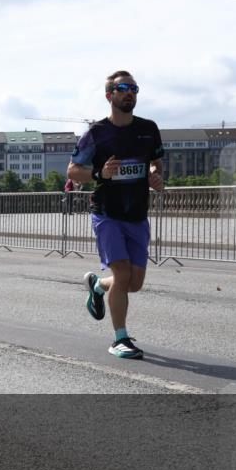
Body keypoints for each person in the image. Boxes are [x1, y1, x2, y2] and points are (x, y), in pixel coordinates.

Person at [68, 70, 164, 360]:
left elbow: (155, 164)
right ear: (110, 95)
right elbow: (73, 172)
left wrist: (155, 175)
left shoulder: (148, 129)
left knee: (133, 283)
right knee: (122, 274)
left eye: (134, 88)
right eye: (123, 88)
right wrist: (99, 172)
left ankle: (98, 286)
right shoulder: (97, 133)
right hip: (107, 213)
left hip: (136, 213)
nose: (129, 92)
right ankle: (120, 339)